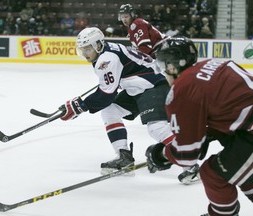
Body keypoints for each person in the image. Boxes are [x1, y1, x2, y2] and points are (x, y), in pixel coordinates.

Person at [145, 36, 253, 216]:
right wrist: (206, 134)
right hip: (247, 131)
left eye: (163, 66)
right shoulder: (215, 64)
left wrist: (161, 154)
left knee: (213, 174)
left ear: (172, 66)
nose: (163, 72)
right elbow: (233, 107)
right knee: (238, 168)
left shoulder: (183, 89)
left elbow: (186, 156)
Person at [59, 26, 171, 175]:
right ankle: (124, 156)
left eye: (87, 49)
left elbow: (106, 94)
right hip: (138, 88)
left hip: (154, 86)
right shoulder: (105, 51)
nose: (85, 53)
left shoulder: (106, 59)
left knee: (156, 128)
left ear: (98, 45)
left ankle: (189, 162)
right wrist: (81, 105)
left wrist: (81, 105)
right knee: (110, 110)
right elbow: (109, 87)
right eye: (82, 50)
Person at [119, 3, 200, 184]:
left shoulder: (136, 25)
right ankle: (178, 154)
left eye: (126, 15)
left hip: (162, 66)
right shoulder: (135, 26)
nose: (124, 19)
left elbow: (145, 51)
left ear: (132, 14)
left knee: (157, 125)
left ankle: (188, 163)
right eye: (121, 17)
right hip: (163, 66)